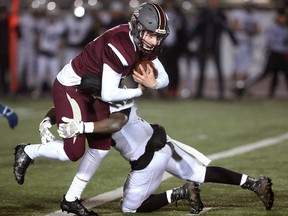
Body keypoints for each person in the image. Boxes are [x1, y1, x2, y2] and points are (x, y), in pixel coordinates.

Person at [13, 2, 170, 216]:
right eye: (151, 35)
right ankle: (28, 151)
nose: (154, 41)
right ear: (138, 27)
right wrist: (139, 91)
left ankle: (71, 199)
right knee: (74, 152)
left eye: (158, 37)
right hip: (72, 86)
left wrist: (154, 84)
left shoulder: (141, 42)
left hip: (93, 89)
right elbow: (109, 94)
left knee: (101, 146)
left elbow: (165, 78)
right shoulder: (121, 45)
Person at [39, 96, 274, 214]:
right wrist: (49, 119)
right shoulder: (115, 96)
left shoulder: (103, 109)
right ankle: (253, 182)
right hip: (164, 142)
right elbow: (61, 109)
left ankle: (179, 192)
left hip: (148, 160)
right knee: (201, 172)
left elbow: (112, 124)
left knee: (129, 209)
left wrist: (81, 127)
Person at [234, 8, 288, 98]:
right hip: (274, 54)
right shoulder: (272, 27)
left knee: (283, 75)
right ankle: (242, 87)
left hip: (284, 55)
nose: (284, 19)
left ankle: (271, 94)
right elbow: (271, 41)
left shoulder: (286, 28)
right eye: (282, 17)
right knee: (264, 74)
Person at [189, 0, 238, 100]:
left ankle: (221, 93)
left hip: (215, 45)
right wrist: (190, 39)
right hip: (203, 45)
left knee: (219, 69)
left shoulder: (220, 14)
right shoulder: (204, 13)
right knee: (201, 70)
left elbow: (226, 28)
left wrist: (234, 40)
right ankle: (199, 93)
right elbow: (197, 27)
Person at [230, 1, 260, 85]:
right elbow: (233, 27)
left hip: (248, 43)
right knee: (237, 67)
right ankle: (235, 86)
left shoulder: (254, 14)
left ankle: (243, 87)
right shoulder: (238, 14)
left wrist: (252, 31)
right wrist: (245, 29)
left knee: (246, 69)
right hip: (238, 42)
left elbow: (258, 29)